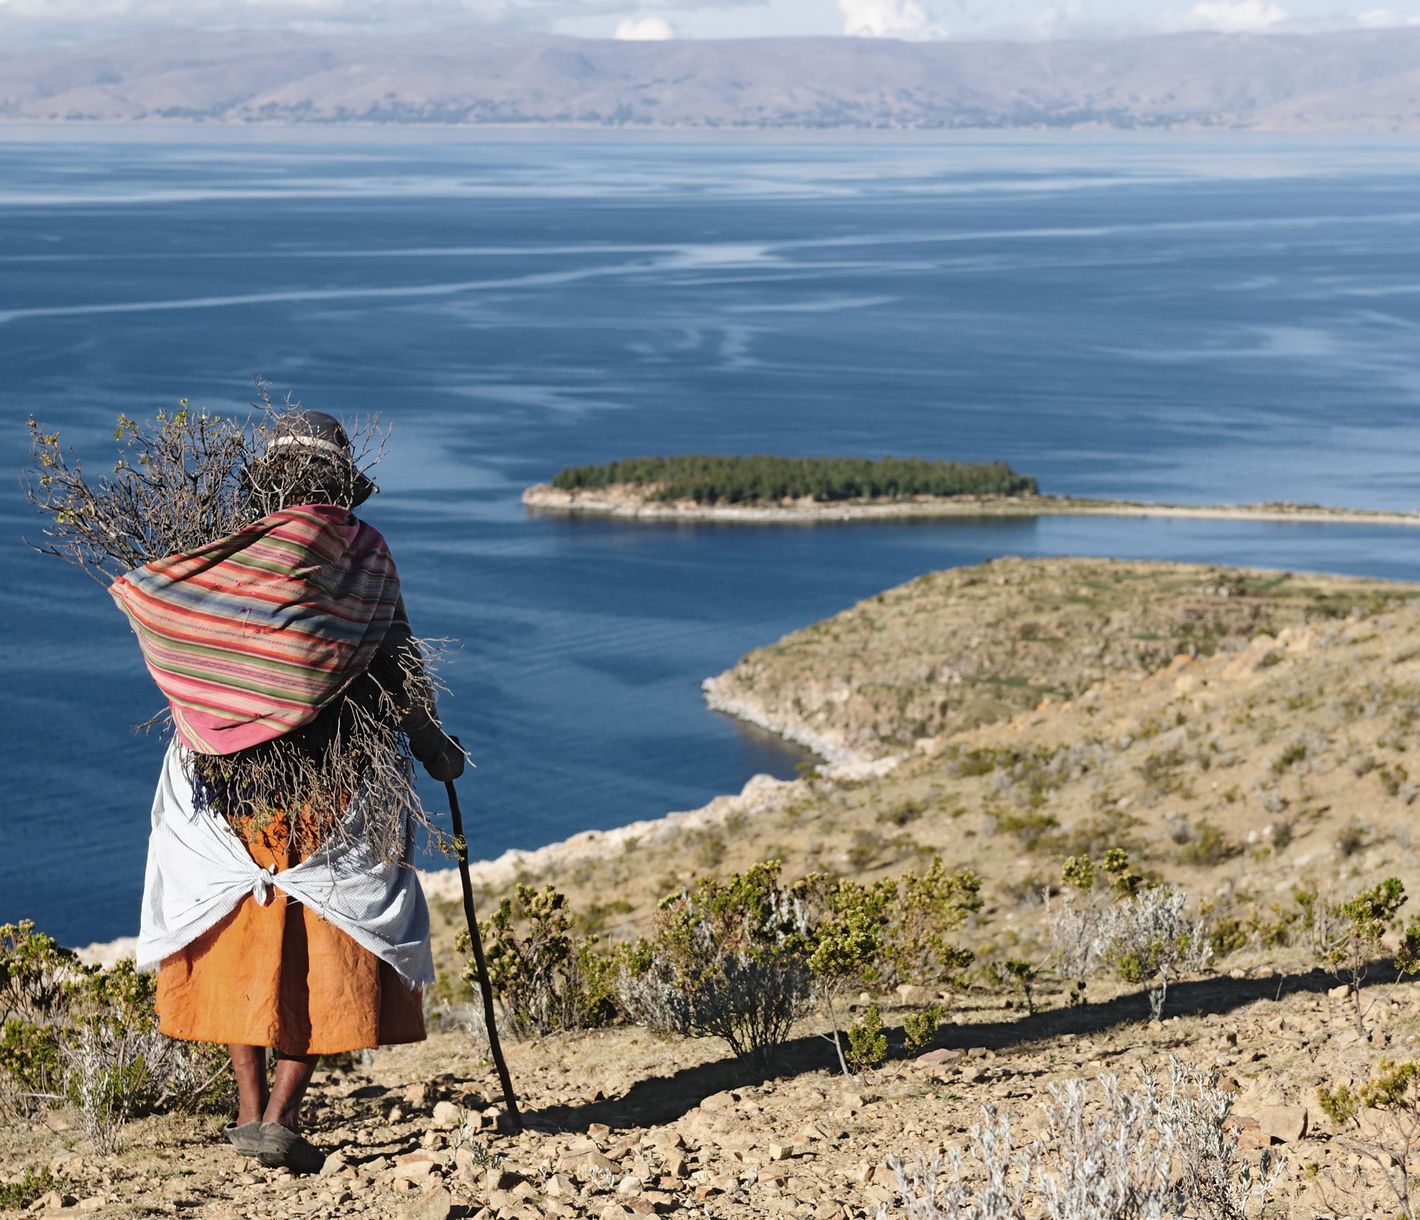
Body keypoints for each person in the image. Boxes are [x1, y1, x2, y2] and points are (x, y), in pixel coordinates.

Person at [110, 411, 463, 1173]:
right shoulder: (364, 550)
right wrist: (433, 746)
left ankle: (248, 1109)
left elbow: (174, 629)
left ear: (269, 484)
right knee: (326, 939)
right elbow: (397, 654)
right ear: (340, 482)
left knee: (241, 933)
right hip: (338, 784)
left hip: (228, 788)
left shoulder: (222, 558)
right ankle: (281, 1112)